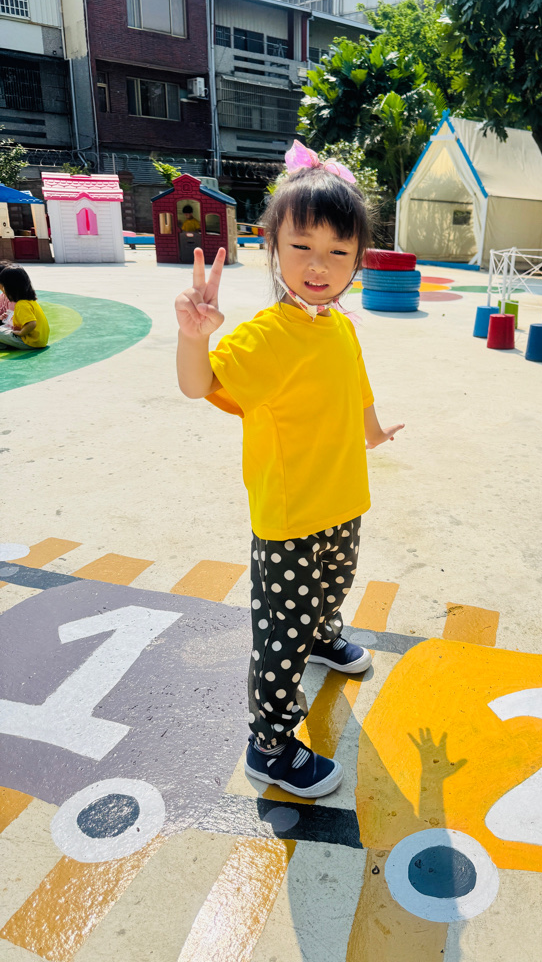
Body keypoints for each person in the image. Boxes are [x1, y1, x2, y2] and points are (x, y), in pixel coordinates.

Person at [175, 142, 404, 798]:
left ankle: (326, 635)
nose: (318, 265)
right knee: (282, 633)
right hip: (290, 520)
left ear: (358, 258)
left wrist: (372, 431)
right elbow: (199, 384)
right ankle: (269, 745)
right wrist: (195, 336)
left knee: (334, 587)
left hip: (342, 501)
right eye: (302, 246)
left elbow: (356, 388)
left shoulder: (340, 327)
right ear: (272, 245)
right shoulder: (268, 335)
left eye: (338, 251)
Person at [0, 263, 49, 350]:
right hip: (38, 340)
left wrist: (21, 333)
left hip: (29, 341)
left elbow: (32, 323)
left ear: (10, 288)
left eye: (3, 286)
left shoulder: (21, 305)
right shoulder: (29, 301)